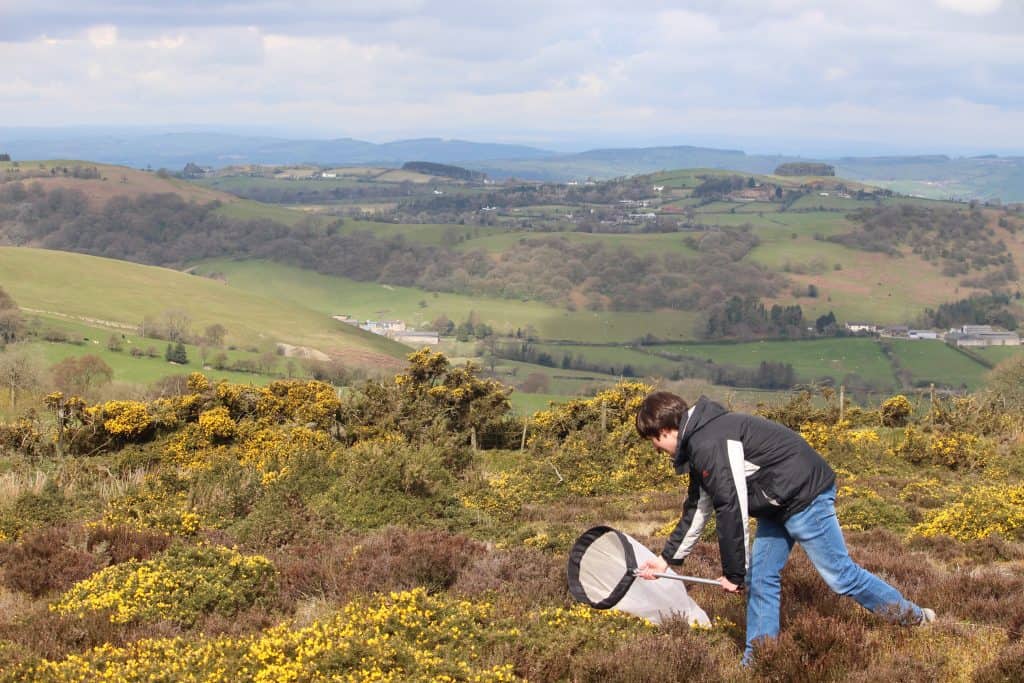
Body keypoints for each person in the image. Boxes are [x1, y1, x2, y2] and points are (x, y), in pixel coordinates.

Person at [633, 391, 934, 663]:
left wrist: (734, 574)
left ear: (663, 432)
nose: (659, 451)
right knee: (761, 579)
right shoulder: (702, 438)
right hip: (777, 503)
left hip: (805, 497)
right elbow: (698, 506)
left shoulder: (708, 442)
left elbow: (730, 507)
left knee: (842, 576)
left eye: (655, 443)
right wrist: (665, 561)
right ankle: (760, 658)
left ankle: (915, 617)